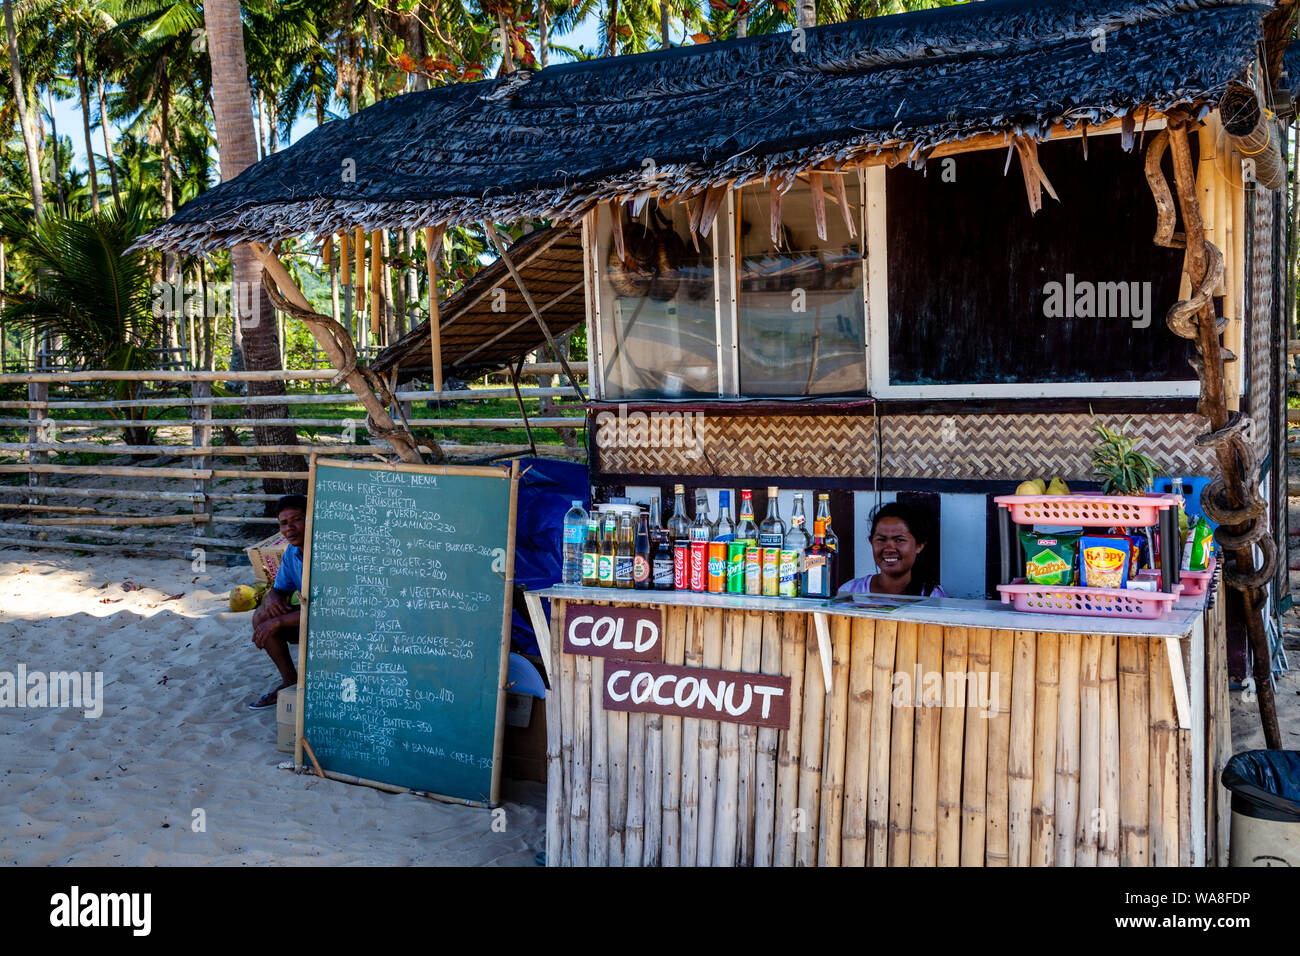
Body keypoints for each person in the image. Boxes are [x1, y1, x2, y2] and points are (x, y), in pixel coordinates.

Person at [248, 494, 307, 709]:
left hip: (336, 622)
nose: (289, 528)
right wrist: (273, 595)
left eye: (296, 520)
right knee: (262, 615)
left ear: (310, 519)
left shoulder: (327, 554)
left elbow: (328, 611)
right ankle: (290, 680)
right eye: (284, 523)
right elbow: (279, 589)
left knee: (271, 621)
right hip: (308, 618)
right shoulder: (292, 552)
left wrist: (279, 622)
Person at [838, 501, 945, 598]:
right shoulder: (850, 592)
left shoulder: (931, 596)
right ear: (871, 542)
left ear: (919, 545)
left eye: (899, 540)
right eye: (881, 539)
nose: (889, 549)